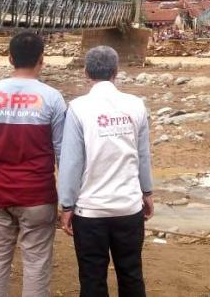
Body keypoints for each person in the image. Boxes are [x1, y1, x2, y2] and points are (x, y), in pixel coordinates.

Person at [0, 32, 67, 296]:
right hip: (38, 195)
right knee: (36, 264)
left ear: (10, 58)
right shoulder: (52, 98)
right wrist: (68, 199)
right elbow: (62, 152)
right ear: (42, 60)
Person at [58, 46, 154, 297]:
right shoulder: (135, 105)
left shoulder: (78, 108)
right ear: (116, 71)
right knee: (131, 274)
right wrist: (147, 191)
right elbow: (143, 155)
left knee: (92, 279)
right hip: (128, 207)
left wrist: (67, 205)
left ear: (85, 72)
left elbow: (71, 162)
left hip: (90, 211)